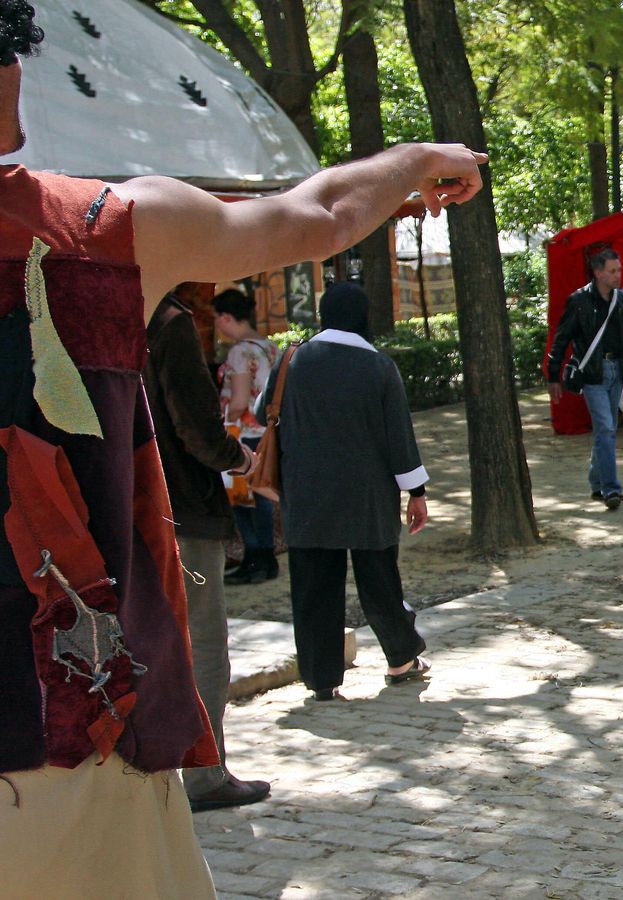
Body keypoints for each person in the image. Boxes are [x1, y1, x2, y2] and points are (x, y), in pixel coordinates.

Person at [0, 5, 488, 891]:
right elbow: (314, 213)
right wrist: (416, 161)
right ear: (12, 80)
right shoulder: (102, 235)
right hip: (63, 722)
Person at [265, 283, 433, 701]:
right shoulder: (378, 367)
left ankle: (322, 681)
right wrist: (416, 491)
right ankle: (400, 659)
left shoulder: (292, 360)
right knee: (379, 581)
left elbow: (263, 414)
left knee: (313, 588)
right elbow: (399, 437)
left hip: (306, 495)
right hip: (366, 496)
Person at [144, 293, 272, 813]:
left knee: (142, 637)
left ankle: (150, 770)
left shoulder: (89, 304)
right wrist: (238, 459)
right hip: (181, 510)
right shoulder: (166, 322)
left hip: (123, 503)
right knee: (202, 638)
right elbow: (196, 426)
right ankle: (204, 773)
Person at [546, 248, 623, 510]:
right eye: (613, 271)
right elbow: (561, 338)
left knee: (605, 429)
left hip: (617, 370)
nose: (618, 275)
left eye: (619, 270)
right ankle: (612, 488)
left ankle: (596, 479)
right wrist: (553, 375)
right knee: (607, 428)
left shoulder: (621, 301)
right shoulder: (579, 301)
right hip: (593, 374)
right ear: (598, 272)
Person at [212, 287, 281, 584]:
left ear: (227, 317)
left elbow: (240, 399)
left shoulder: (240, 351)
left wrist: (223, 424)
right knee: (263, 494)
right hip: (267, 429)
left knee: (242, 498)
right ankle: (266, 556)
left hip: (243, 430)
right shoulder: (268, 346)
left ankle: (255, 555)